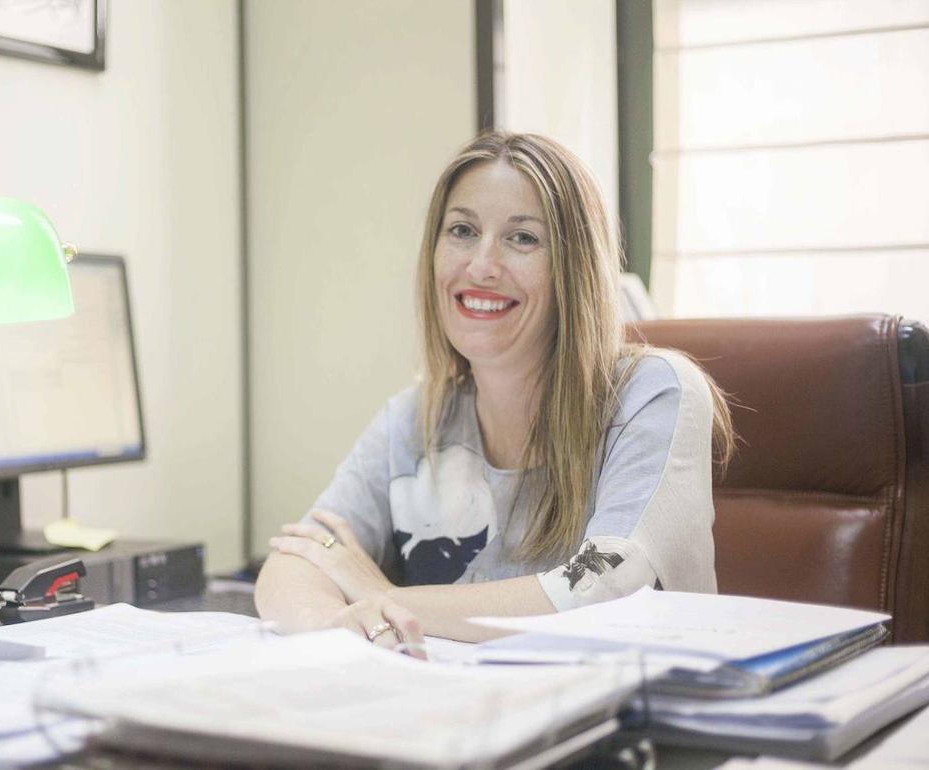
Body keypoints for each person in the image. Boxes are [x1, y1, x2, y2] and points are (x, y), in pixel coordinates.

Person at [254, 131, 734, 651]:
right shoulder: (415, 418)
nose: (481, 265)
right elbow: (298, 556)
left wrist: (383, 596)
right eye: (462, 230)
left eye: (522, 238)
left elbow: (605, 584)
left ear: (572, 271)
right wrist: (339, 626)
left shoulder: (653, 394)